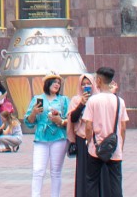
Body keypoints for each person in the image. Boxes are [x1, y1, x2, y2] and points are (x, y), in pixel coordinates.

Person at [74, 67, 125, 197]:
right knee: (115, 183)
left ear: (99, 80)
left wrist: (89, 141)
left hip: (95, 148)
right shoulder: (119, 101)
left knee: (92, 181)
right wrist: (121, 146)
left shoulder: (93, 100)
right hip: (114, 148)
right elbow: (123, 127)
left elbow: (88, 126)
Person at [26, 76, 71, 197]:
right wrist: (34, 112)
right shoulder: (38, 99)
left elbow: (71, 119)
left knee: (56, 171)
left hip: (59, 137)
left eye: (59, 83)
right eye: (54, 82)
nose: (57, 84)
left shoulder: (63, 100)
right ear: (47, 83)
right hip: (41, 138)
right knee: (38, 170)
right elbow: (29, 122)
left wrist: (60, 120)